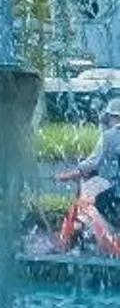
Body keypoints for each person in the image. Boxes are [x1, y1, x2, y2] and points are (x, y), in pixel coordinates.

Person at [57, 100, 120, 255]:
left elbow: (91, 164)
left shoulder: (110, 136)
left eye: (110, 118)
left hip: (113, 192)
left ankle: (68, 244)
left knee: (85, 204)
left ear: (115, 117)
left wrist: (66, 175)